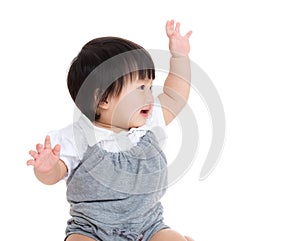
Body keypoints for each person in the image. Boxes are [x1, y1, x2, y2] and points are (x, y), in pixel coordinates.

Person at [27, 20, 194, 241]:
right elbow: (56, 173)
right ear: (103, 98)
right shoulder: (77, 137)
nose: (149, 96)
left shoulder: (148, 125)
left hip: (148, 226)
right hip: (92, 229)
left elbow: (175, 95)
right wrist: (47, 169)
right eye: (140, 88)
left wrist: (180, 58)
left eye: (150, 87)